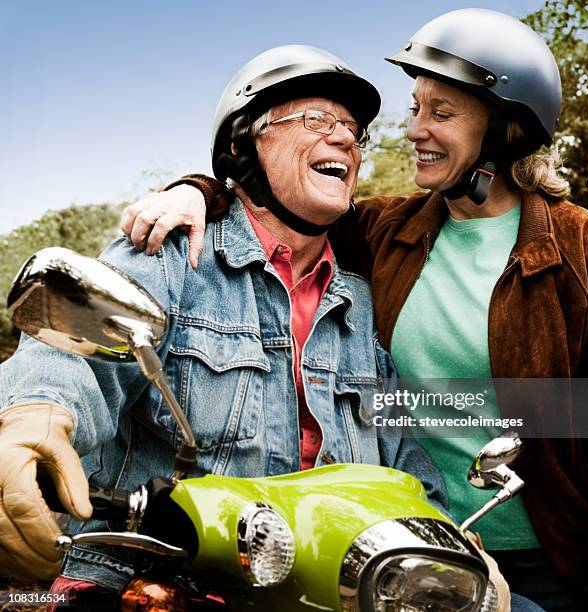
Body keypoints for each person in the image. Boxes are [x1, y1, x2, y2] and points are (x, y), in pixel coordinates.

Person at [126, 9, 588, 611]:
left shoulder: (577, 244)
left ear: (504, 129)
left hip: (549, 556)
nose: (415, 129)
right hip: (398, 550)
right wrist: (196, 189)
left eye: (442, 113)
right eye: (415, 109)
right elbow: (282, 200)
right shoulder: (386, 229)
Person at [1, 44, 512, 609]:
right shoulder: (172, 253)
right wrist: (36, 415)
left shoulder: (359, 300)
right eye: (316, 120)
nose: (345, 138)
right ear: (244, 147)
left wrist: (456, 547)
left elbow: (400, 461)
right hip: (151, 587)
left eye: (352, 129)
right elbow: (73, 353)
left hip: (322, 595)